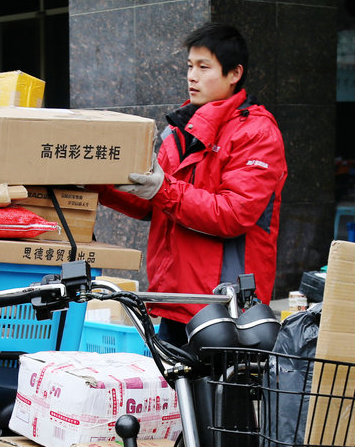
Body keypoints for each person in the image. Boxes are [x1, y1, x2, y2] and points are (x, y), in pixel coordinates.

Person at [97, 23, 287, 342]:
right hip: (174, 298)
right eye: (189, 66)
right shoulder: (183, 129)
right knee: (175, 392)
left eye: (203, 67)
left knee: (218, 392)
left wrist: (162, 189)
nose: (192, 76)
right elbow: (154, 203)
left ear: (234, 74)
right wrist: (97, 185)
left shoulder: (257, 133)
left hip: (226, 305)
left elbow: (233, 214)